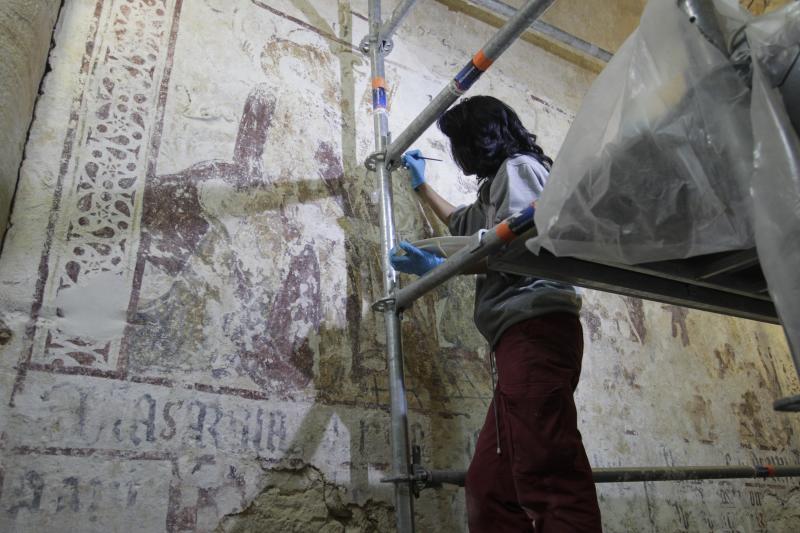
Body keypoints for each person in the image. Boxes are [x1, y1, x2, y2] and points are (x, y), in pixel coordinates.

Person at [391, 96, 602, 532]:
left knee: (549, 476)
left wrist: (438, 267)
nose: (456, 153)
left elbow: (517, 247)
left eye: (458, 143)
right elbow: (465, 226)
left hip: (535, 331)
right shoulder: (496, 186)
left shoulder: (519, 169)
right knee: (491, 488)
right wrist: (420, 185)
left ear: (478, 138)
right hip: (517, 338)